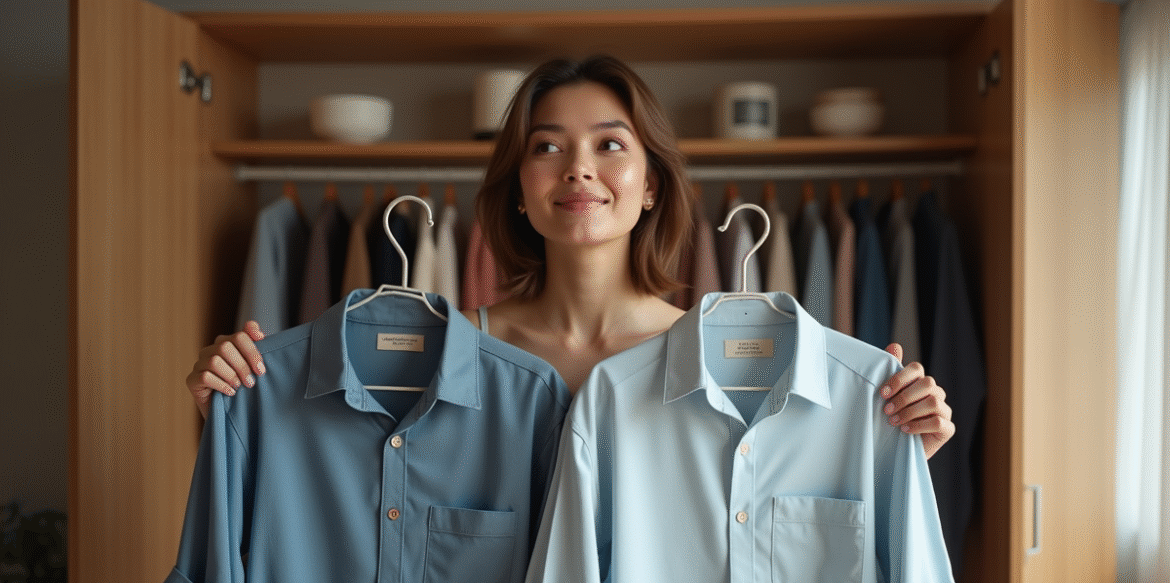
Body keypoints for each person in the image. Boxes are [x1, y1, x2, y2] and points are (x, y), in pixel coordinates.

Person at [187, 55, 955, 457]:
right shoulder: (450, 353)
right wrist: (234, 406)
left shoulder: (722, 357)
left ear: (650, 185)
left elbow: (775, 505)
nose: (578, 168)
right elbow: (350, 490)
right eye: (547, 146)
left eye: (609, 145)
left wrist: (893, 449)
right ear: (519, 189)